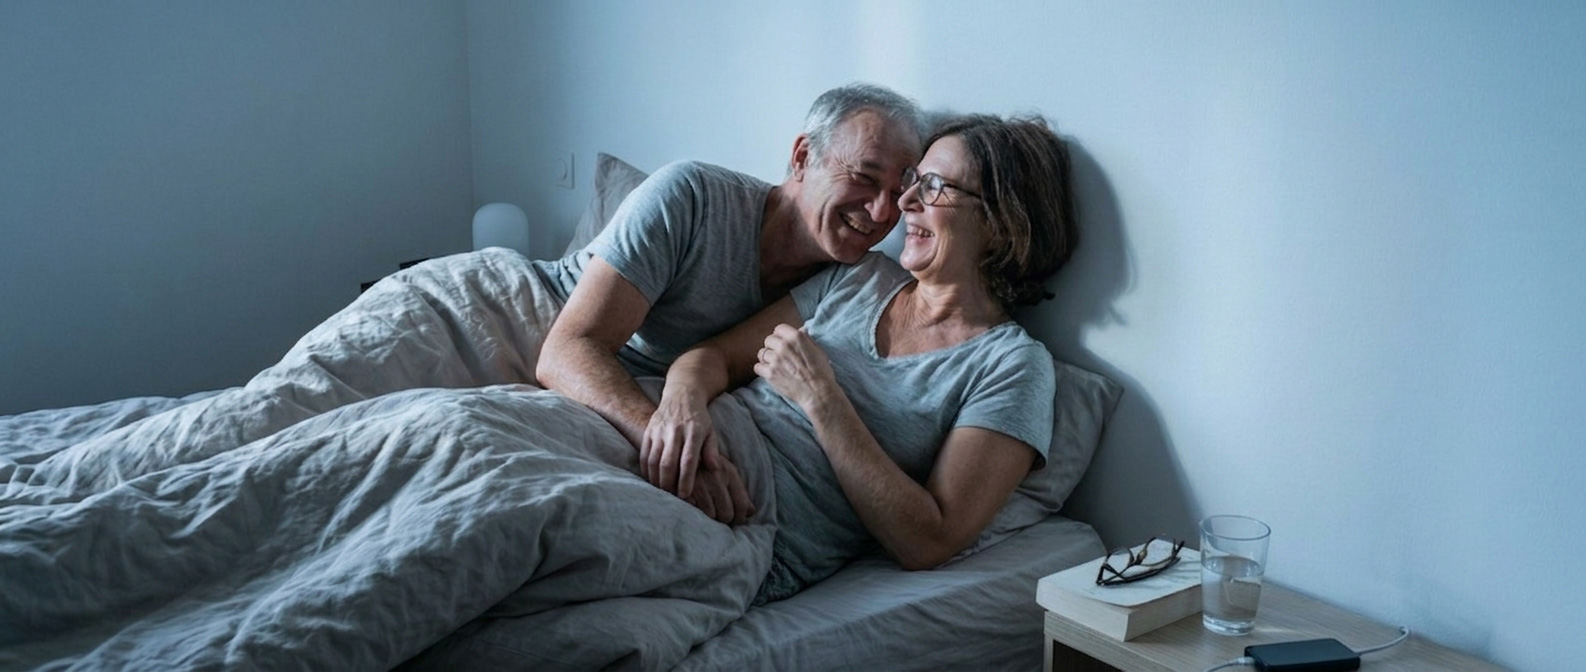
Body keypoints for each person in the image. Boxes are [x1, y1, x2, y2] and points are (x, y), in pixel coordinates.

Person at [12, 84, 923, 519]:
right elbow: (568, 350)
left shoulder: (833, 282)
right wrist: (661, 427)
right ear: (801, 159)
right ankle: (50, 490)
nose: (881, 211)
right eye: (865, 178)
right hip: (489, 310)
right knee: (266, 416)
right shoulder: (692, 197)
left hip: (551, 379)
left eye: (903, 192)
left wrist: (682, 404)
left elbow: (705, 362)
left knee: (307, 467)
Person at [645, 112, 1080, 600]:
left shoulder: (1012, 367)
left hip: (738, 516)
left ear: (1001, 223)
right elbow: (712, 358)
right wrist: (678, 407)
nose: (905, 200)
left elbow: (928, 540)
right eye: (914, 180)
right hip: (670, 447)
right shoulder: (858, 277)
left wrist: (822, 400)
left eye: (933, 186)